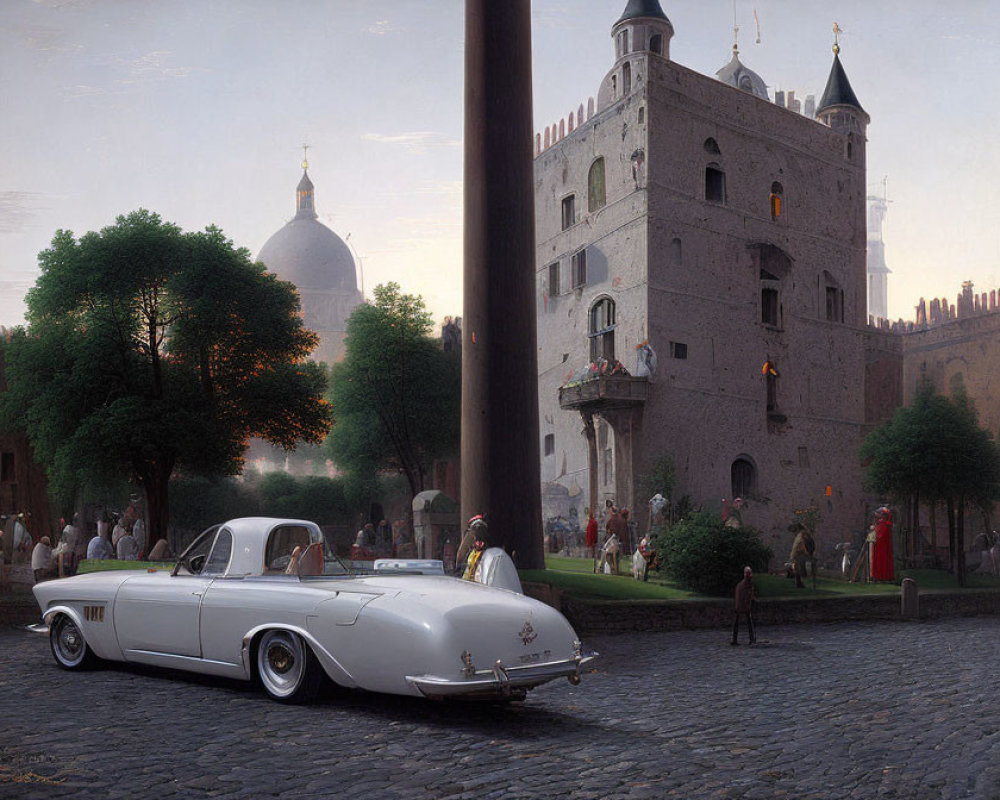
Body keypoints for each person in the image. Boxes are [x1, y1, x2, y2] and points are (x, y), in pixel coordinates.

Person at [731, 566, 756, 645]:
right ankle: (751, 639)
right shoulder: (746, 584)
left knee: (737, 622)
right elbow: (748, 595)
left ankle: (735, 639)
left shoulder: (740, 584)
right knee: (748, 622)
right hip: (743, 605)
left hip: (739, 605)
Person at [789, 522, 815, 589]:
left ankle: (799, 584)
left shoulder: (802, 534)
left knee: (799, 570)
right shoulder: (803, 534)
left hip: (799, 554)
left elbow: (805, 543)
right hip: (799, 554)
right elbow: (805, 543)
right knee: (799, 570)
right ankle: (799, 584)